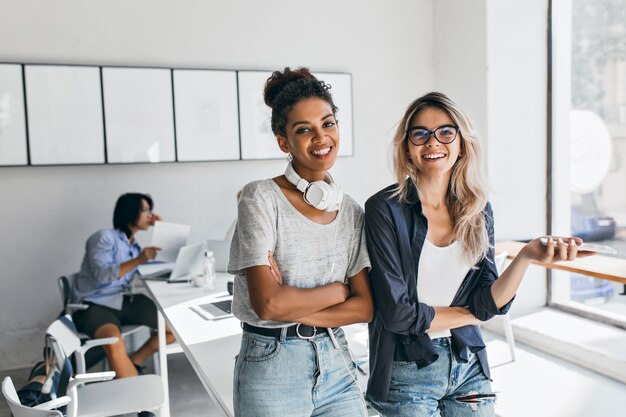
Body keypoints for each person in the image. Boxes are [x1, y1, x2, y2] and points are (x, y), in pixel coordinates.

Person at [364, 92, 593, 417]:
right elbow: (398, 315)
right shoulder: (384, 209)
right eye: (420, 134)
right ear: (407, 146)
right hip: (405, 368)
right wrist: (476, 313)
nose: (433, 143)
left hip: (467, 361)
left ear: (461, 143)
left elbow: (491, 298)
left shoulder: (478, 209)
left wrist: (526, 256)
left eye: (445, 132)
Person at [228, 67, 373, 417]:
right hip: (272, 366)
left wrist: (291, 302)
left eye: (328, 123)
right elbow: (268, 305)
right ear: (284, 142)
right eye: (304, 130)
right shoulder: (259, 198)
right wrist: (338, 291)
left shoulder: (351, 211)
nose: (321, 137)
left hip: (336, 361)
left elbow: (366, 307)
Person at [71, 192, 175, 378]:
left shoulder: (133, 246)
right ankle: (139, 403)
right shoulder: (104, 237)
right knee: (114, 341)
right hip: (94, 304)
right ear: (129, 213)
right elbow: (102, 276)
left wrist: (163, 227)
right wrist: (139, 259)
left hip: (124, 300)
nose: (150, 215)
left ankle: (134, 362)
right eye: (145, 210)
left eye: (150, 211)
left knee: (175, 326)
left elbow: (167, 262)